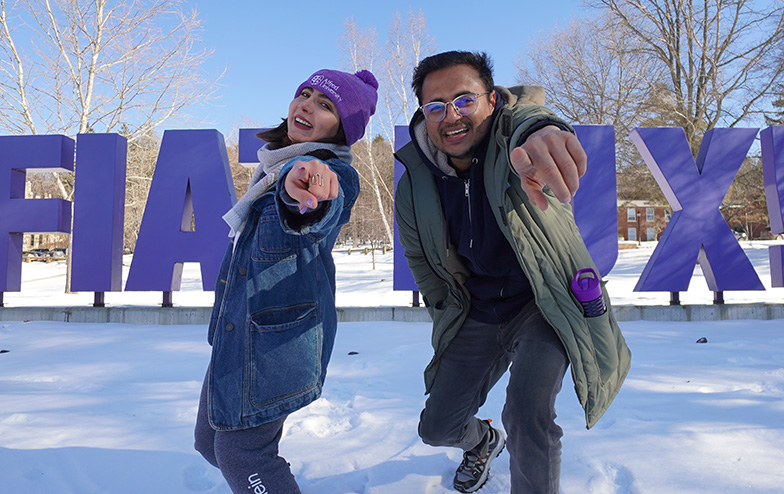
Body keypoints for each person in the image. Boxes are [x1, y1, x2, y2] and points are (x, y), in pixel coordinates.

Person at [394, 50, 631, 493]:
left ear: (491, 100)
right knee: (437, 428)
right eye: (436, 106)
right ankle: (483, 442)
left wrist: (542, 129)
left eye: (465, 100)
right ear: (423, 115)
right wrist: (445, 307)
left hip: (542, 304)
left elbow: (531, 121)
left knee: (527, 412)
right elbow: (421, 262)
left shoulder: (516, 145)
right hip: (477, 313)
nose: (452, 116)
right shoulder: (414, 184)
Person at [194, 68, 378, 493]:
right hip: (236, 332)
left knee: (243, 453)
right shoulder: (271, 169)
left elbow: (313, 210)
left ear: (341, 129)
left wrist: (305, 193)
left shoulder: (328, 172)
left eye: (325, 105)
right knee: (209, 443)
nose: (307, 105)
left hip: (274, 345)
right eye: (306, 94)